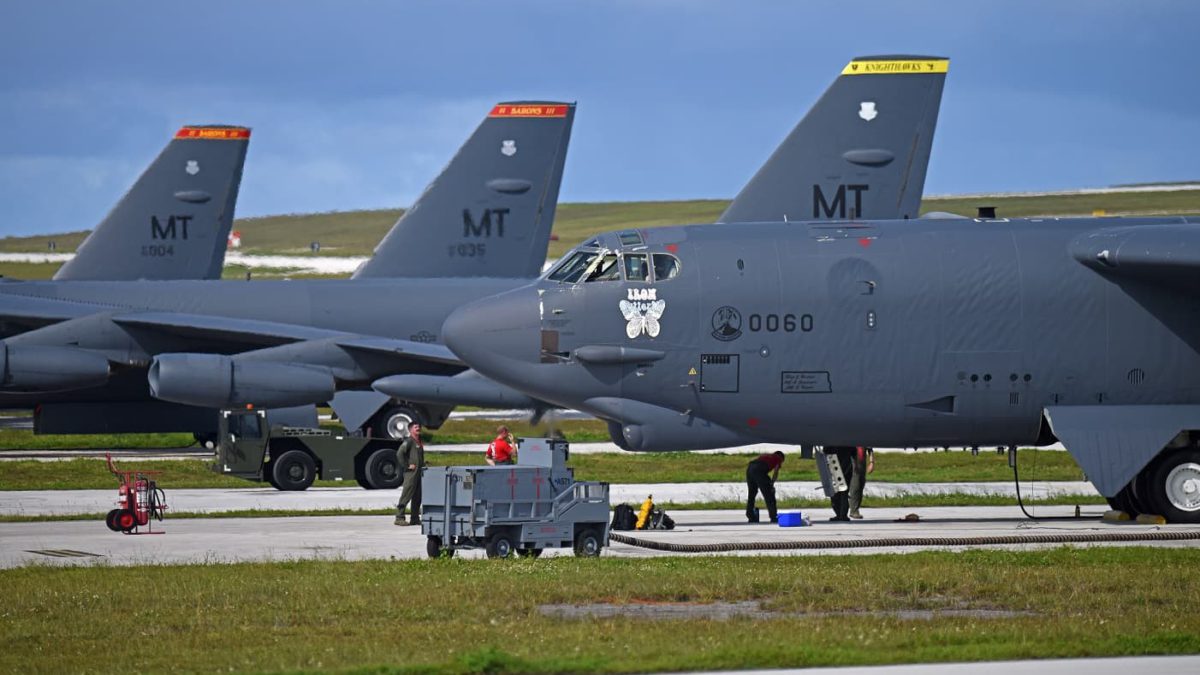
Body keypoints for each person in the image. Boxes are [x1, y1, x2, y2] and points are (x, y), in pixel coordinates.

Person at [394, 422, 426, 526]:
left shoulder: (419, 441)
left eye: (419, 427)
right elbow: (400, 453)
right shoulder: (409, 441)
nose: (418, 428)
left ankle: (415, 518)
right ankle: (399, 517)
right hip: (411, 473)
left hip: (419, 473)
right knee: (406, 495)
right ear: (410, 430)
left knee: (417, 496)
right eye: (416, 427)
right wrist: (407, 465)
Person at [745, 450, 784, 523]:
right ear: (781, 457)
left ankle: (751, 516)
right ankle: (773, 517)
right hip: (759, 470)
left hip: (750, 469)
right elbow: (775, 472)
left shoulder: (767, 455)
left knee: (751, 495)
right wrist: (772, 483)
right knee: (769, 495)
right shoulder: (778, 458)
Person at [847, 446, 875, 519]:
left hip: (862, 464)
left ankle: (855, 509)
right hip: (853, 464)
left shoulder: (864, 437)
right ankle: (854, 511)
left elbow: (870, 449)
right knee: (855, 486)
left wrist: (871, 462)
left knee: (861, 485)